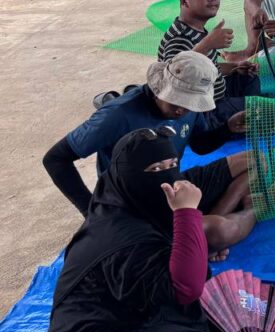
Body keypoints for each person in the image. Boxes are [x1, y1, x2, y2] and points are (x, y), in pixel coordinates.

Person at [40, 129, 235, 332]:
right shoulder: (122, 237)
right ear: (128, 175)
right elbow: (186, 288)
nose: (169, 177)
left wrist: (197, 249)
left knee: (216, 329)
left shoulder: (126, 206)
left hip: (121, 320)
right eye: (156, 169)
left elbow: (166, 262)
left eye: (172, 165)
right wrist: (187, 212)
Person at [42, 52, 256, 258]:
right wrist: (90, 211)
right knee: (221, 230)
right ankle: (225, 222)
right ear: (160, 89)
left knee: (255, 160)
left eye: (189, 105)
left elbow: (199, 145)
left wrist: (226, 129)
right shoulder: (117, 115)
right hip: (133, 204)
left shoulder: (188, 111)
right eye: (177, 102)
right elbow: (55, 159)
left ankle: (201, 229)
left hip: (172, 186)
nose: (181, 111)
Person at [158, 0, 258, 134]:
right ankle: (252, 117)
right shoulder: (180, 38)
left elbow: (206, 66)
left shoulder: (197, 29)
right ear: (184, 1)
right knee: (262, 106)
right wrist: (207, 44)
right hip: (204, 112)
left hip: (217, 94)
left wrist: (235, 67)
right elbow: (173, 78)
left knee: (249, 78)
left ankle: (249, 117)